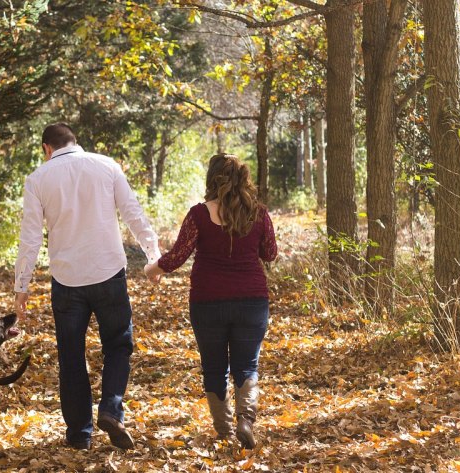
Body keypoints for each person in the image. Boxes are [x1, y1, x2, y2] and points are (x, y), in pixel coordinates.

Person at [14, 123, 161, 450]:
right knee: (119, 344)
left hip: (67, 282)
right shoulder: (106, 165)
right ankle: (111, 407)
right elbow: (133, 214)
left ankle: (80, 435)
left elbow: (30, 238)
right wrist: (154, 256)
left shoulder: (37, 179)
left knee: (70, 356)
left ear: (46, 148)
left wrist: (21, 285)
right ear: (74, 142)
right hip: (108, 273)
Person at [144, 153, 277, 449]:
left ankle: (224, 430)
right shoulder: (258, 213)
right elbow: (270, 253)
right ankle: (246, 420)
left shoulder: (199, 214)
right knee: (247, 366)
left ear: (211, 178)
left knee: (214, 367)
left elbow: (178, 256)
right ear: (243, 178)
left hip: (208, 301)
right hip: (252, 301)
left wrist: (152, 269)